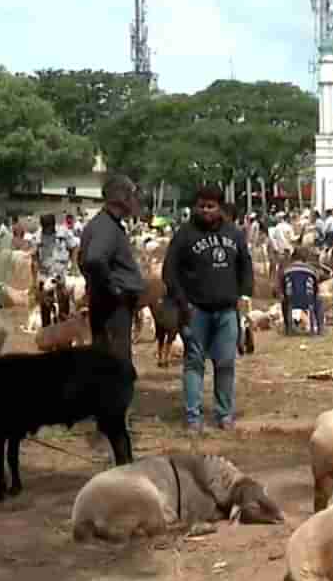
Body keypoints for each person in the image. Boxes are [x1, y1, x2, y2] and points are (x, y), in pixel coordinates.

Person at [163, 186, 253, 434]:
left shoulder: (234, 234)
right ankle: (193, 417)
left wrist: (244, 295)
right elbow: (169, 272)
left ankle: (224, 414)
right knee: (194, 364)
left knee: (225, 363)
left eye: (210, 206)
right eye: (201, 205)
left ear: (220, 208)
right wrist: (183, 303)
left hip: (227, 311)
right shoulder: (184, 235)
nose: (205, 210)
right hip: (195, 311)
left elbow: (245, 265)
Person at [80, 175, 146, 365]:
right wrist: (114, 288)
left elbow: (84, 260)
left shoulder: (104, 224)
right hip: (113, 306)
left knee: (105, 359)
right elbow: (94, 259)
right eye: (132, 196)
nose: (135, 201)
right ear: (123, 199)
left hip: (107, 302)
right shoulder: (106, 227)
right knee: (116, 362)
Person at [32, 213, 80, 327]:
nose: (48, 230)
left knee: (63, 306)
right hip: (45, 275)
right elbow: (34, 258)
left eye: (50, 228)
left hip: (60, 274)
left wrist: (73, 264)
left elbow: (75, 247)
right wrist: (35, 279)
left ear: (53, 225)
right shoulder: (38, 236)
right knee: (45, 307)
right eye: (46, 228)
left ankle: (63, 335)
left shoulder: (63, 233)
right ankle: (47, 334)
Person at [280, 248, 324, 336]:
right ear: (305, 258)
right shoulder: (311, 269)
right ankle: (320, 328)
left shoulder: (287, 270)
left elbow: (283, 287)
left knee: (284, 302)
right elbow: (315, 287)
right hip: (308, 299)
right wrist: (314, 296)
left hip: (291, 300)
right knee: (319, 301)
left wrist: (286, 296)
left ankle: (288, 327)